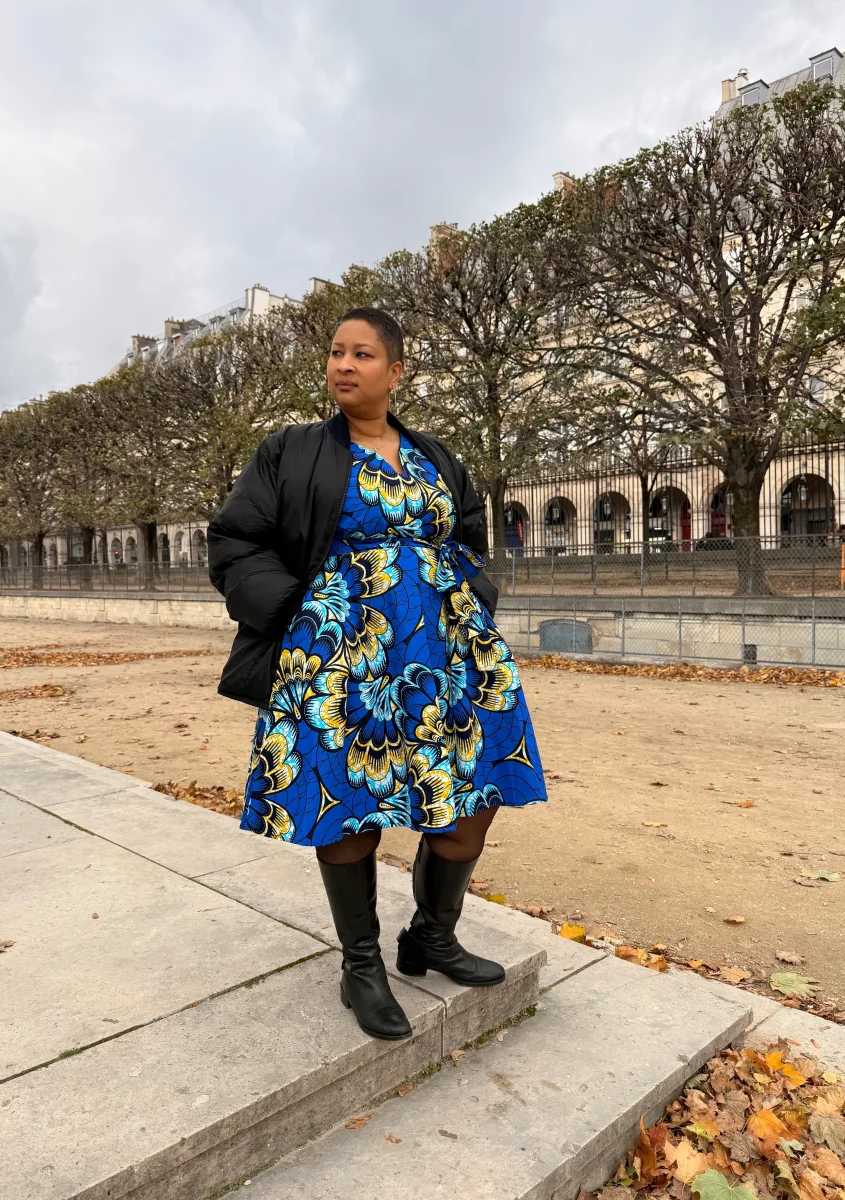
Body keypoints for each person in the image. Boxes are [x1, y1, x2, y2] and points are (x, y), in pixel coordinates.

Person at [207, 308, 548, 1042]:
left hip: (451, 656)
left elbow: (467, 536)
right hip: (340, 657)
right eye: (336, 352)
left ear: (395, 371)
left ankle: (431, 936)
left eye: (362, 354)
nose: (343, 364)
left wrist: (470, 598)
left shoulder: (436, 456)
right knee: (348, 802)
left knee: (475, 793)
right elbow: (236, 538)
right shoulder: (291, 450)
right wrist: (297, 612)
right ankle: (360, 965)